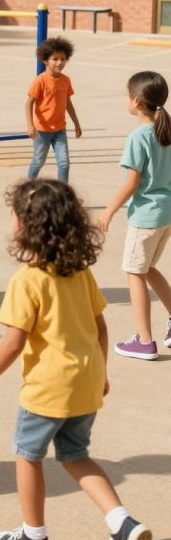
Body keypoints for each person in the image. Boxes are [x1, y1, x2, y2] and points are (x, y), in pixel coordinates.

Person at [0, 179, 151, 540]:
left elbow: (13, 343)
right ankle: (122, 522)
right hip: (86, 380)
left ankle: (33, 539)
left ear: (28, 226)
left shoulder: (28, 280)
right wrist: (102, 373)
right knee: (76, 454)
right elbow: (100, 325)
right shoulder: (80, 274)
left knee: (27, 455)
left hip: (48, 387)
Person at [98, 70, 171, 360]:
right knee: (148, 268)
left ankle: (144, 341)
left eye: (127, 95)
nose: (124, 99)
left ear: (137, 102)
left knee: (134, 272)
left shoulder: (138, 137)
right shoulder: (166, 129)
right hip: (166, 214)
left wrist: (109, 210)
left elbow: (131, 183)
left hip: (146, 216)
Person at [25, 36, 82, 183]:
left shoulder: (66, 80)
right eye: (55, 59)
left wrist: (76, 123)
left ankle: (63, 193)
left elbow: (68, 103)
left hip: (59, 129)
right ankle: (28, 187)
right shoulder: (40, 80)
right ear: (45, 60)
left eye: (63, 59)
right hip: (42, 130)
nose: (59, 62)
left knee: (64, 163)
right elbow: (29, 103)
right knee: (38, 162)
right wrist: (30, 125)